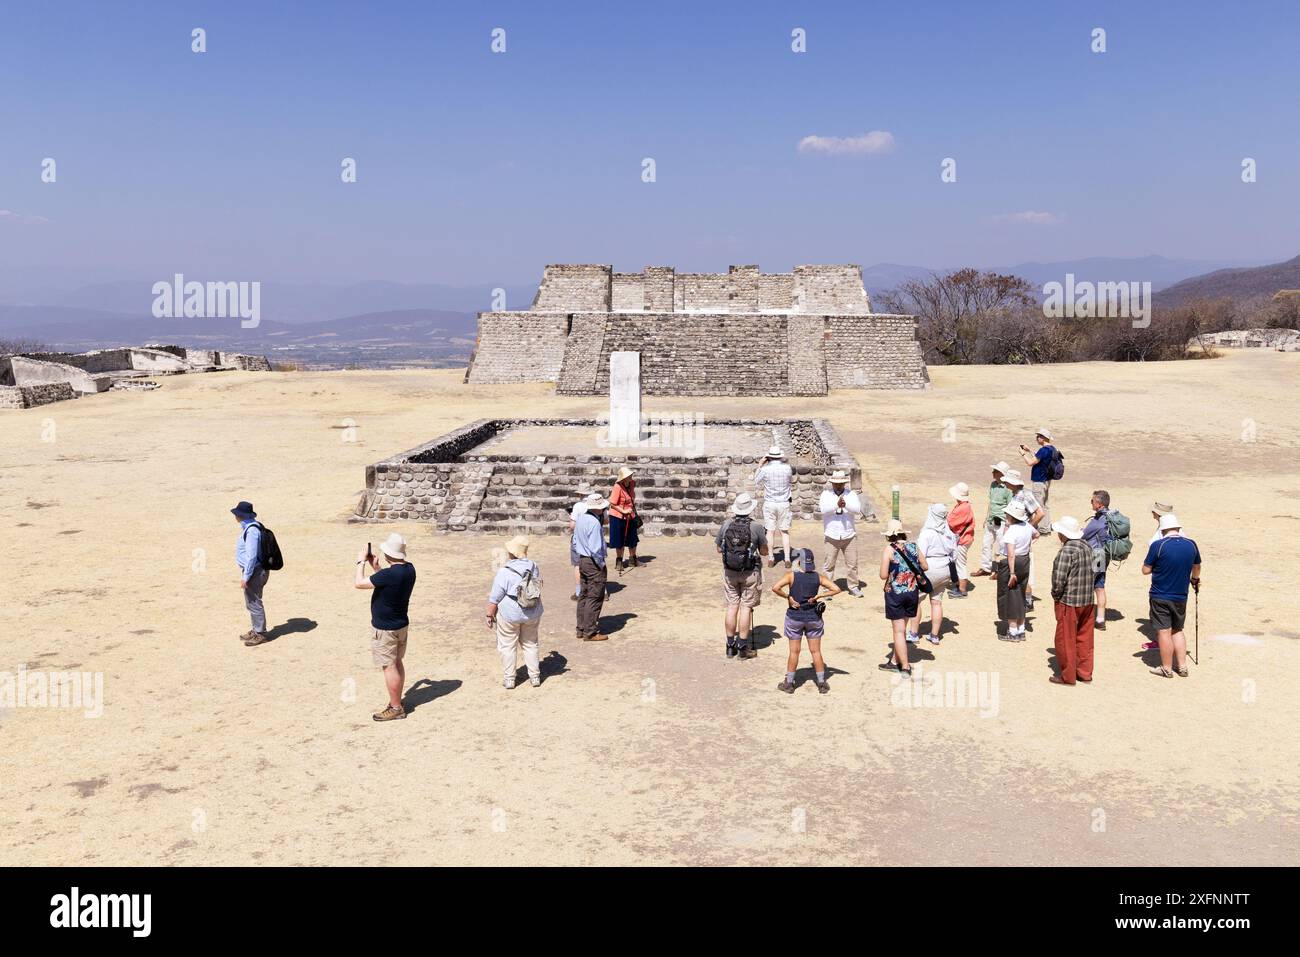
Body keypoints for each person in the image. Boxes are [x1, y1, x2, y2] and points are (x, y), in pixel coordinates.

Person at [354, 533, 417, 722]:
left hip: (385, 628)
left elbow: (359, 583)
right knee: (397, 662)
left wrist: (360, 563)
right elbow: (386, 580)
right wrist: (376, 567)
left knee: (389, 666)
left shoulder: (389, 575)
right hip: (400, 624)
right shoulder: (409, 570)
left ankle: (396, 706)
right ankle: (396, 702)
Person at [771, 548, 841, 693]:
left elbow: (775, 587)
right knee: (816, 651)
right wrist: (819, 596)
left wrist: (788, 597)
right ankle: (821, 683)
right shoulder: (818, 577)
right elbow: (836, 589)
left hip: (794, 617)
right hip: (813, 618)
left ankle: (789, 683)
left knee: (794, 652)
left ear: (798, 562)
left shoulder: (791, 576)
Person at [1142, 513, 1202, 679]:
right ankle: (1182, 666)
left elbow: (1145, 570)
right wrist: (1194, 580)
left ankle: (1167, 668)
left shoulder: (1158, 546)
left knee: (1163, 632)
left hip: (1160, 595)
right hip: (1181, 596)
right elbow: (1196, 567)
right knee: (1177, 630)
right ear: (1178, 528)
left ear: (1162, 530)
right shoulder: (1191, 545)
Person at [485, 536, 544, 689]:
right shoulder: (533, 566)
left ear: (511, 553)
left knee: (507, 645)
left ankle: (510, 678)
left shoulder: (505, 571)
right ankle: (535, 676)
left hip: (510, 613)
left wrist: (489, 614)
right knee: (531, 644)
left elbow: (495, 596)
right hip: (532, 611)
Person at [716, 492, 770, 659]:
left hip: (730, 571)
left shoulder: (726, 524)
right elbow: (764, 551)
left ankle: (730, 646)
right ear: (750, 509)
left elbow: (718, 548)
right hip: (750, 572)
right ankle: (742, 648)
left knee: (732, 606)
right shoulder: (756, 527)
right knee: (746, 607)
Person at [1048, 516, 1096, 685]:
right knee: (1085, 638)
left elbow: (1058, 579)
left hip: (1069, 601)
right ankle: (1084, 673)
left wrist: (1055, 595)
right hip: (1088, 600)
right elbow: (1098, 570)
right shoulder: (1089, 546)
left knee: (1065, 639)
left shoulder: (1066, 551)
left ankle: (1068, 676)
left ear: (1063, 534)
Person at [878, 519, 927, 677]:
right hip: (912, 592)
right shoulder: (913, 547)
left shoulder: (889, 550)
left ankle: (905, 666)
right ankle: (894, 661)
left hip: (896, 594)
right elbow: (925, 566)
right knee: (903, 628)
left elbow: (883, 575)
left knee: (898, 632)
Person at [1001, 470, 1045, 607]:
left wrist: (1028, 528)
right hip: (1015, 536)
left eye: (1006, 481)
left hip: (1020, 538)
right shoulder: (1016, 494)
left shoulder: (1025, 494)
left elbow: (1040, 513)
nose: (1004, 483)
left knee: (1024, 568)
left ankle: (1027, 600)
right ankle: (1024, 598)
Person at [917, 502, 958, 644]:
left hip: (929, 569)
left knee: (916, 601)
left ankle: (914, 633)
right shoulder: (949, 533)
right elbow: (955, 554)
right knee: (936, 602)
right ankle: (934, 635)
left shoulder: (926, 533)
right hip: (945, 569)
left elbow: (920, 555)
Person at [232, 500, 271, 646]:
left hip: (255, 571)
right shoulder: (252, 526)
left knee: (254, 602)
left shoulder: (252, 531)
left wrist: (246, 576)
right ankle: (256, 630)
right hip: (256, 570)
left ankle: (260, 633)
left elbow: (251, 556)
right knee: (251, 602)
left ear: (240, 515)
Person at [820, 470, 864, 597]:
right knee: (829, 564)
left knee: (852, 563)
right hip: (831, 534)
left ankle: (853, 586)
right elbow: (824, 509)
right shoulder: (826, 495)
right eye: (836, 483)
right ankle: (827, 588)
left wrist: (846, 505)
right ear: (832, 483)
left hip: (848, 534)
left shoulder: (851, 495)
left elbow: (857, 510)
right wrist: (836, 505)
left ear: (844, 484)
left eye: (840, 484)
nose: (838, 486)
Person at [996, 500, 1034, 641]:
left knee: (1010, 595)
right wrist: (1028, 546)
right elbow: (1036, 535)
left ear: (1012, 516)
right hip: (1025, 560)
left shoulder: (1012, 531)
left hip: (1013, 563)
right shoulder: (1027, 526)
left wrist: (1012, 573)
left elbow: (1011, 554)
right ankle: (1021, 630)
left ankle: (1013, 632)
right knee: (1021, 595)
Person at [573, 494, 609, 641]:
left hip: (582, 559)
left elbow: (575, 541)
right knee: (595, 596)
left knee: (584, 595)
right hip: (592, 562)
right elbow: (595, 548)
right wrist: (600, 564)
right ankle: (590, 631)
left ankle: (581, 628)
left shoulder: (581, 518)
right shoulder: (594, 523)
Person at [753, 445, 794, 568]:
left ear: (769, 457)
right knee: (784, 532)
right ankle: (787, 558)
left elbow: (756, 480)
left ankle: (771, 558)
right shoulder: (787, 468)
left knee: (770, 532)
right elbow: (790, 481)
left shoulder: (765, 469)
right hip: (784, 502)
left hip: (770, 502)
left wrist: (760, 465)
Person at [972, 462, 1013, 577]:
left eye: (995, 471)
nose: (993, 473)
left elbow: (1010, 506)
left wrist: (1008, 524)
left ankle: (1000, 570)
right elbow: (991, 503)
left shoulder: (1008, 488)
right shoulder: (993, 485)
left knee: (1001, 547)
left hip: (1002, 521)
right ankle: (986, 568)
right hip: (991, 520)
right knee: (986, 544)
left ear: (1002, 474)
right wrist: (986, 518)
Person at [1080, 490, 1112, 631]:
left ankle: (1085, 618)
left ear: (1098, 504)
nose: (1091, 503)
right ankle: (1100, 619)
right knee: (1099, 586)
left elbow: (1084, 535)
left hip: (1096, 555)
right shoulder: (1111, 516)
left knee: (1086, 586)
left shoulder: (1098, 520)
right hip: (1105, 554)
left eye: (1092, 501)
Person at [1018, 428, 1058, 514]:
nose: (1037, 438)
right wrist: (1029, 450)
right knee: (1045, 505)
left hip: (1039, 482)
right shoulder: (1052, 449)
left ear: (1043, 438)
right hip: (1047, 481)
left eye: (1038, 436)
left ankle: (1040, 527)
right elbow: (1040, 459)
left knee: (1038, 507)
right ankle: (1045, 527)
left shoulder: (1043, 450)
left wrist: (1022, 454)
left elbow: (1030, 462)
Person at [566, 485, 595, 600]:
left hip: (579, 538)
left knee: (578, 565)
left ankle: (579, 592)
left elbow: (572, 525)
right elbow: (606, 519)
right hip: (594, 537)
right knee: (597, 562)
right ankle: (602, 590)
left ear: (580, 494)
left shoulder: (578, 506)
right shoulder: (598, 504)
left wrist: (571, 517)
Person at [946, 482, 975, 598]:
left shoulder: (962, 508)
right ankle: (959, 584)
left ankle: (962, 590)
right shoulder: (965, 505)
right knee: (958, 563)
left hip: (962, 540)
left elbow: (951, 522)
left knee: (960, 564)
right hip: (965, 538)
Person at [608, 467, 639, 575]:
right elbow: (612, 503)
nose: (631, 477)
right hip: (618, 516)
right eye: (629, 476)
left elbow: (631, 497)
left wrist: (629, 510)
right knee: (619, 539)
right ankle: (619, 561)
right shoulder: (617, 487)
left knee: (633, 538)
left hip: (630, 515)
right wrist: (623, 510)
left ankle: (633, 559)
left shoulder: (632, 483)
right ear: (624, 477)